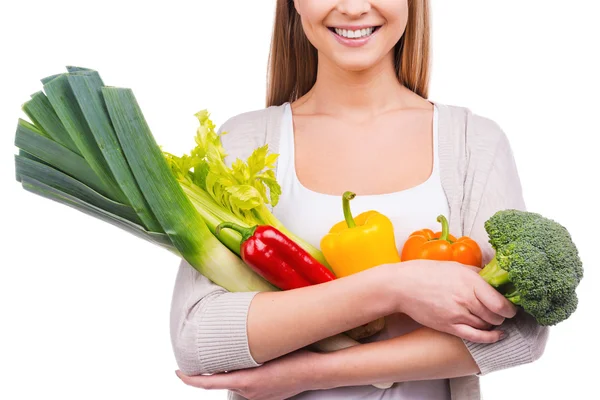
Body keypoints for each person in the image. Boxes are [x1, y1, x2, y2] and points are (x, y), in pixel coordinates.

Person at [170, 1, 548, 399]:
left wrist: (311, 372)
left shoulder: (473, 143)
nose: (352, 8)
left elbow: (518, 332)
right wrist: (393, 288)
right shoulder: (246, 141)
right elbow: (197, 337)